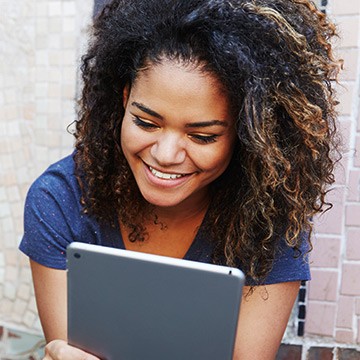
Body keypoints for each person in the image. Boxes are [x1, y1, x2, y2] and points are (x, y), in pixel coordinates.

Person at [20, 0, 341, 359]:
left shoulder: (267, 221)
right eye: (146, 122)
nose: (166, 154)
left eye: (202, 136)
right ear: (125, 100)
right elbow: (69, 349)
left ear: (249, 134)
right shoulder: (60, 200)